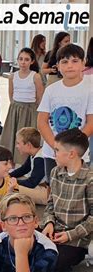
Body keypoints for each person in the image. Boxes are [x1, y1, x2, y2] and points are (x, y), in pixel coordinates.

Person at [37, 43, 92, 183]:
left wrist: (73, 146)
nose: (69, 66)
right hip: (52, 153)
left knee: (76, 193)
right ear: (58, 66)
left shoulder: (89, 89)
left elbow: (91, 122)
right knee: (53, 189)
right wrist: (56, 147)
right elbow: (42, 121)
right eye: (65, 62)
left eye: (75, 61)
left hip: (77, 153)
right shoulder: (51, 90)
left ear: (83, 63)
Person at [41, 129, 92, 272]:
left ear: (71, 154)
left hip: (76, 240)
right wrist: (49, 223)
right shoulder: (55, 172)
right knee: (19, 245)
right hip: (53, 231)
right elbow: (50, 204)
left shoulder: (89, 179)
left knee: (49, 268)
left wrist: (70, 235)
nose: (53, 153)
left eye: (57, 150)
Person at [0, 47, 44, 164]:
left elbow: (40, 96)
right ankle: (11, 160)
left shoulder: (36, 76)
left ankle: (26, 163)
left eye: (26, 59)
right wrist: (15, 107)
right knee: (13, 136)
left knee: (28, 138)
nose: (23, 62)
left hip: (30, 110)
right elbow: (11, 93)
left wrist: (37, 112)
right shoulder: (13, 76)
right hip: (15, 109)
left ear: (32, 61)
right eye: (21, 59)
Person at [9, 128, 48, 205]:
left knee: (9, 187)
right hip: (38, 186)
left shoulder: (40, 159)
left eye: (18, 143)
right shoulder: (34, 153)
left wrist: (9, 181)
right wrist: (9, 175)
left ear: (28, 145)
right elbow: (24, 169)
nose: (16, 146)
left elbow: (31, 183)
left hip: (45, 193)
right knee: (13, 179)